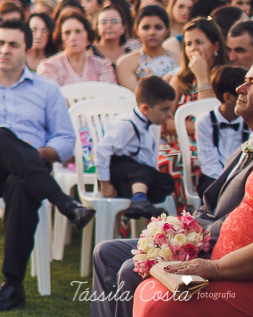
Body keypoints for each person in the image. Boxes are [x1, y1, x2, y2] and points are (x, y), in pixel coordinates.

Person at [0, 19, 95, 311]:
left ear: (27, 50)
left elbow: (64, 140)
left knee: (21, 185)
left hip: (30, 172)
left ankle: (12, 285)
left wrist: (34, 155)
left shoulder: (47, 90)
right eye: (0, 43)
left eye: (13, 44)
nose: (4, 50)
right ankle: (64, 202)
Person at [91, 62, 253, 317]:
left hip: (216, 245)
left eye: (251, 83)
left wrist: (189, 239)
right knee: (105, 251)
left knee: (129, 269)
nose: (241, 87)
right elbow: (212, 199)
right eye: (245, 80)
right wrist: (178, 229)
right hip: (200, 228)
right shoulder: (247, 144)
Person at [94, 76, 177, 219]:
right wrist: (105, 183)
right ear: (145, 109)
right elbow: (102, 150)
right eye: (164, 109)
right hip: (117, 171)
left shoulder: (148, 126)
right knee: (144, 170)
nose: (169, 115)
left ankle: (138, 201)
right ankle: (139, 199)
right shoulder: (126, 125)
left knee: (167, 181)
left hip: (135, 179)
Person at [196, 65, 250, 194]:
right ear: (228, 98)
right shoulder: (204, 122)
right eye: (243, 93)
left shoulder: (248, 120)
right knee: (210, 191)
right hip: (214, 177)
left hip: (242, 175)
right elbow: (209, 163)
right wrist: (228, 182)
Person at [37, 10, 117, 85]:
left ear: (88, 38)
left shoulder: (102, 66)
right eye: (67, 33)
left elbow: (108, 93)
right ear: (61, 40)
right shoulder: (50, 67)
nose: (73, 37)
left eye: (78, 31)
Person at [116, 5, 178, 91]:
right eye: (146, 28)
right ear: (136, 31)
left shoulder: (178, 59)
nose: (152, 32)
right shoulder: (126, 62)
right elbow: (134, 95)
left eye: (158, 27)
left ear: (167, 30)